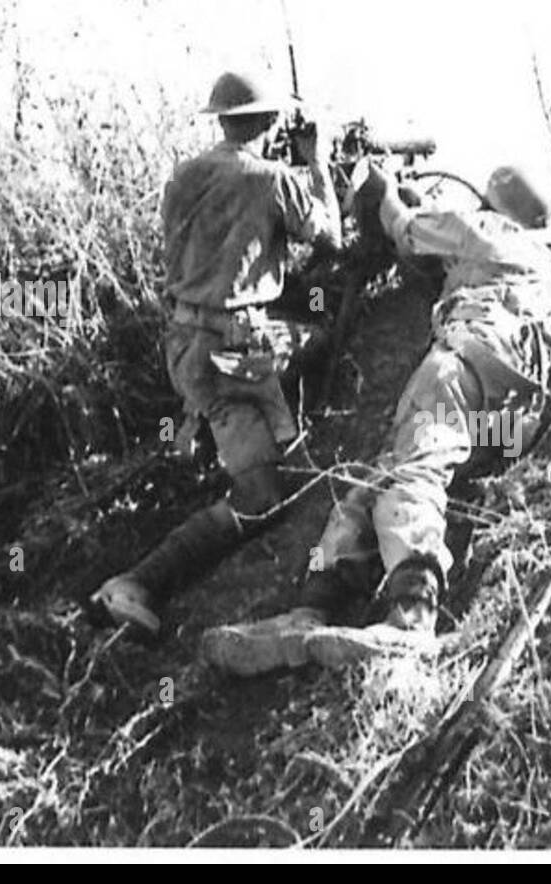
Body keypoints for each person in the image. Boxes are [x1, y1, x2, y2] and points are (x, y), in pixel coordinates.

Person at [200, 161, 551, 676]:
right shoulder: (544, 272)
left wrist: (385, 190)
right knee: (374, 485)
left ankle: (412, 617)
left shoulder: (486, 230)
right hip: (508, 422)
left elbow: (405, 229)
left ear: (493, 208)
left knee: (408, 474)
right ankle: (310, 612)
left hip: (460, 371)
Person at [90, 70, 341, 637]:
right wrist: (317, 162)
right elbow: (332, 237)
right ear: (272, 121)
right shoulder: (271, 178)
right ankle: (136, 584)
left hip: (186, 342)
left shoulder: (184, 175)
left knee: (300, 343)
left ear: (221, 117)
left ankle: (255, 437)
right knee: (263, 495)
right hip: (234, 353)